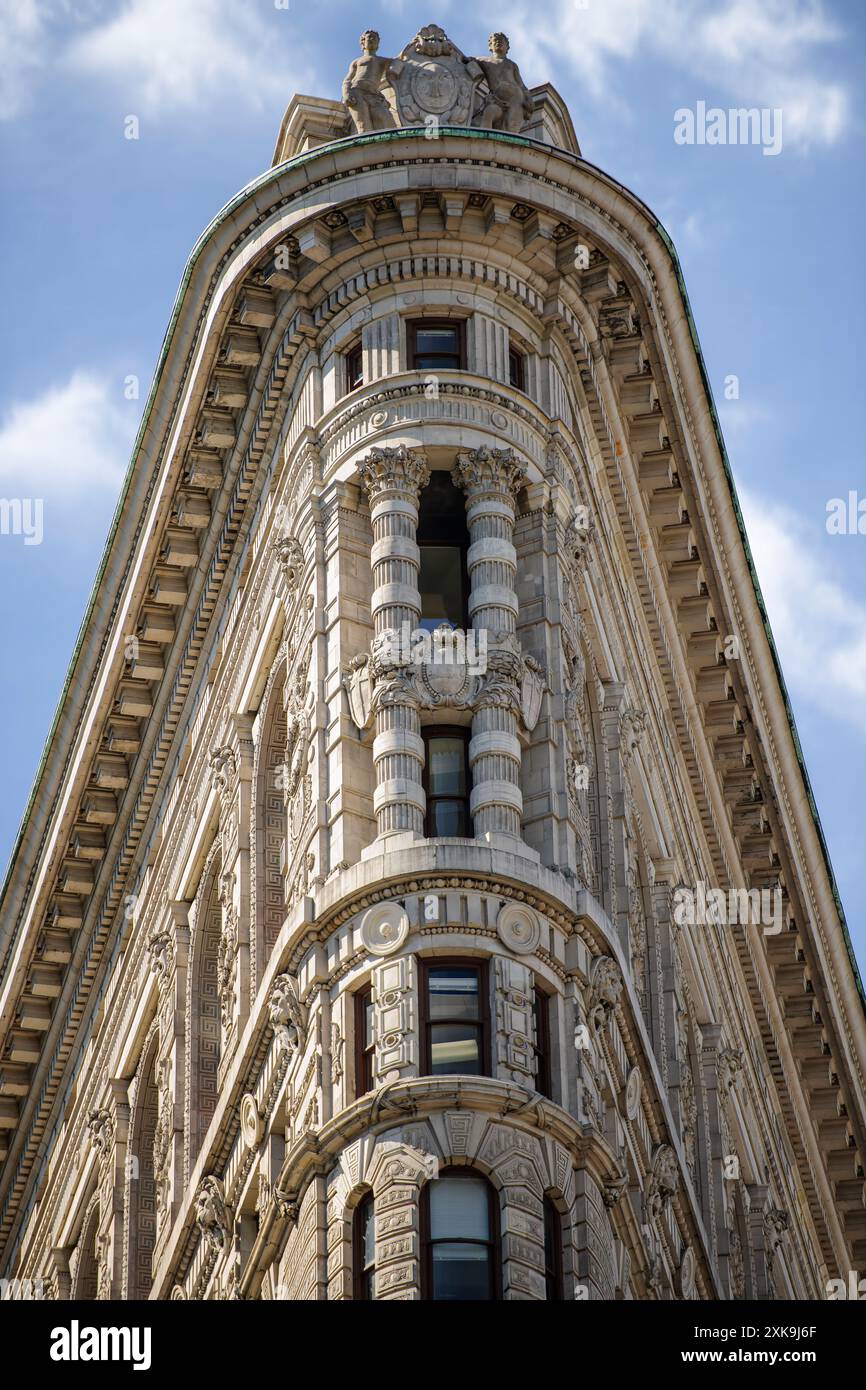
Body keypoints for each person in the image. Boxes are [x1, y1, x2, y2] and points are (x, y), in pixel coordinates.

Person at [474, 33, 534, 134]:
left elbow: (521, 84)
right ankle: (484, 144)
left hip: (516, 100)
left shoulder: (512, 65)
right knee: (489, 113)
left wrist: (528, 98)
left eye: (502, 41)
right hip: (497, 100)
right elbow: (467, 60)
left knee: (511, 130)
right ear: (490, 46)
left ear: (507, 47)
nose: (498, 42)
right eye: (495, 40)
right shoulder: (483, 61)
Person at [342, 30, 397, 133]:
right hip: (357, 92)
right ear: (363, 42)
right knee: (363, 127)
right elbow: (347, 80)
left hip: (374, 95)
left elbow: (399, 61)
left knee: (387, 120)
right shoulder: (356, 62)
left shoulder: (383, 60)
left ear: (378, 43)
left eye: (374, 38)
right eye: (369, 37)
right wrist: (346, 94)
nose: (372, 39)